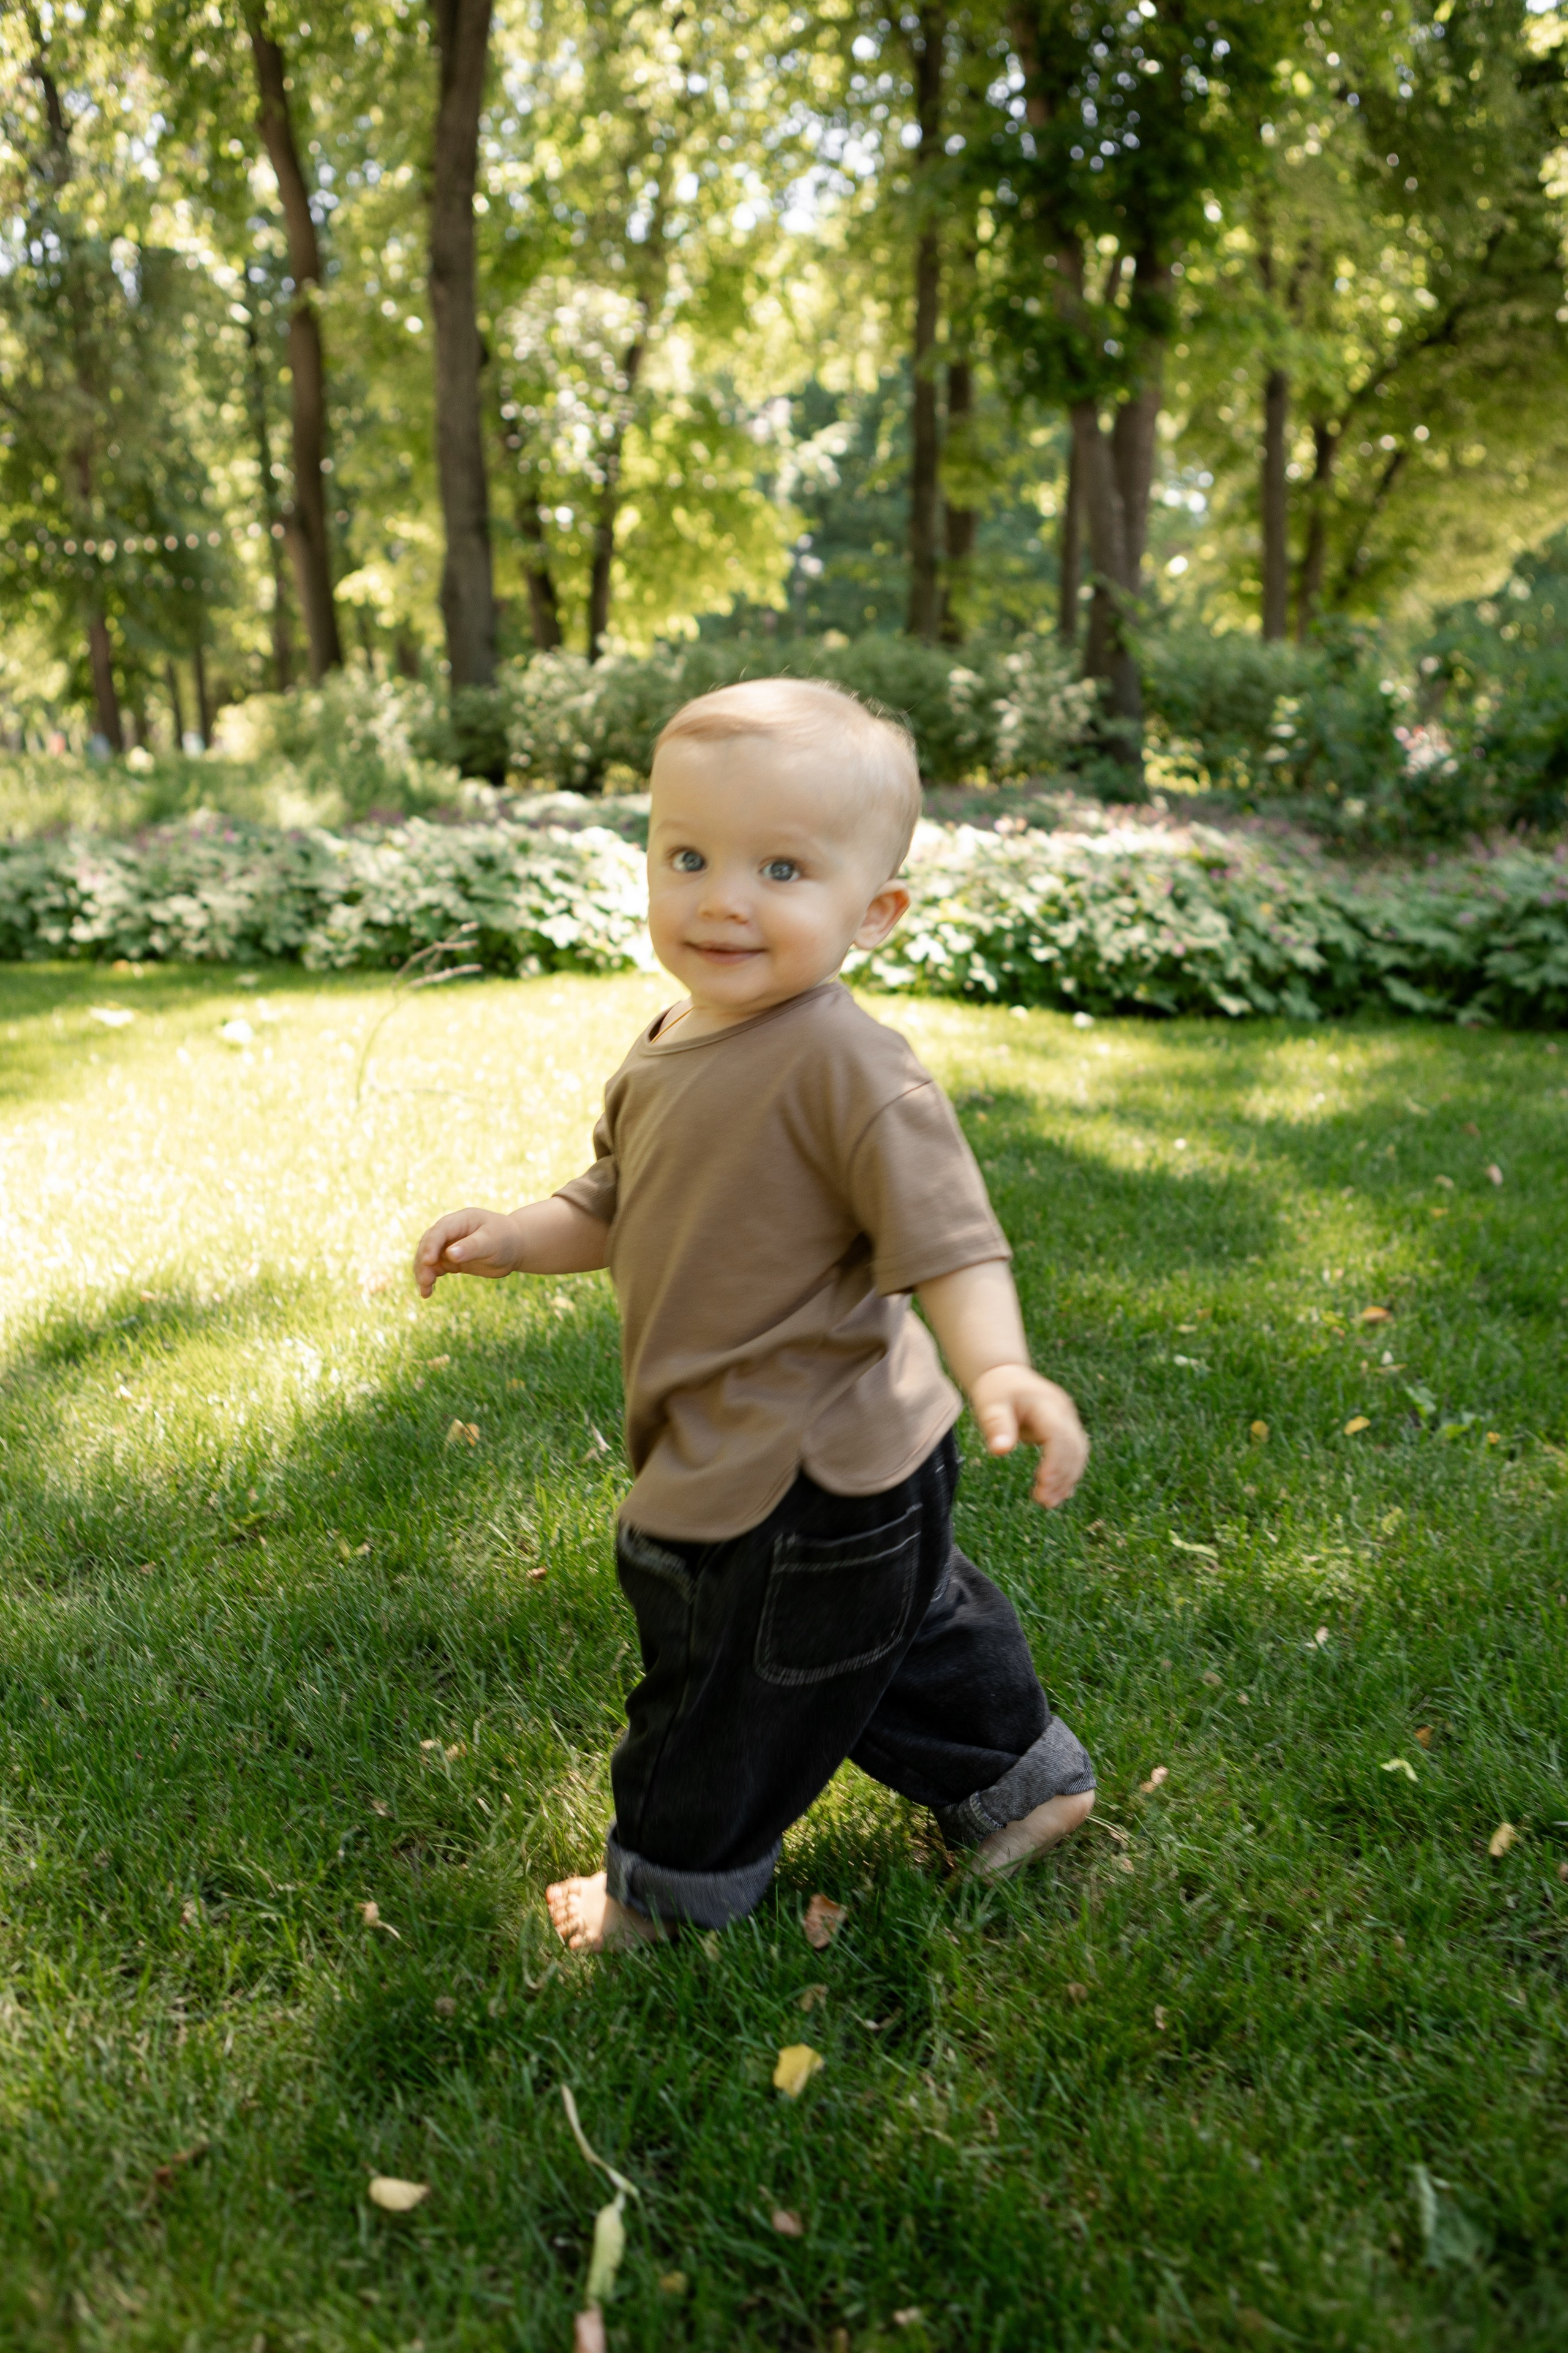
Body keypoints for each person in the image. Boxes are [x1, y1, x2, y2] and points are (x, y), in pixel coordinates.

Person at [413, 679, 1095, 1952]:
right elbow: (615, 1194)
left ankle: (665, 1896)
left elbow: (947, 1239)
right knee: (889, 1630)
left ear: (872, 911)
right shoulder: (671, 1034)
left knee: (724, 1681)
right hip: (849, 1457)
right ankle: (1023, 1782)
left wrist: (998, 1363)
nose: (722, 896)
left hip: (786, 1471)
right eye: (689, 856)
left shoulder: (849, 1066)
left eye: (780, 867)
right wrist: (515, 1236)